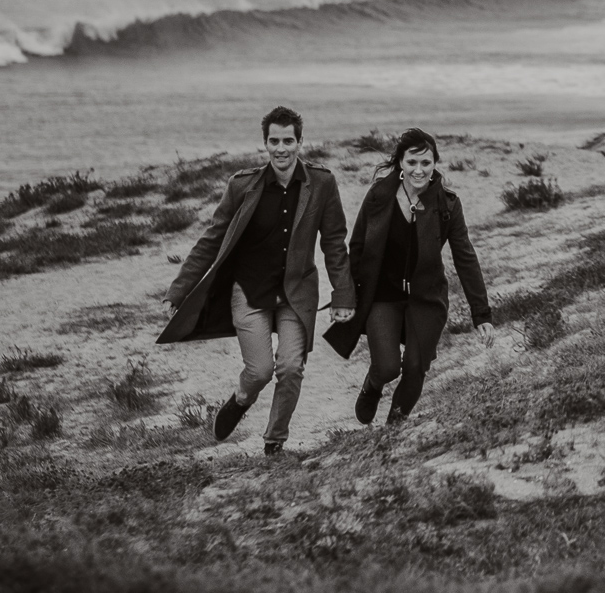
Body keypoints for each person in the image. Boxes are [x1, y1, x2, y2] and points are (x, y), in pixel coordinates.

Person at [157, 105, 356, 455]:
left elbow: (334, 243)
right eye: (274, 141)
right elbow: (212, 238)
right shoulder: (243, 186)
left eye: (288, 141)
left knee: (291, 368)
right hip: (249, 291)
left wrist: (343, 294)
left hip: (296, 293)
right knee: (261, 370)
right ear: (265, 143)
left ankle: (274, 442)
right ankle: (242, 397)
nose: (282, 149)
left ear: (300, 142)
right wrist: (178, 291)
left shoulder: (321, 183)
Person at [324, 127, 494, 424]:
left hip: (426, 298)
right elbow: (359, 246)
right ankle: (372, 385)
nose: (419, 170)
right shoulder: (379, 195)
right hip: (383, 296)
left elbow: (465, 257)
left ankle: (393, 431)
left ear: (434, 164)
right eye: (412, 162)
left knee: (415, 367)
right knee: (388, 367)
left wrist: (481, 314)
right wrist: (345, 295)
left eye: (426, 163)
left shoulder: (447, 205)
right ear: (400, 163)